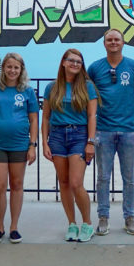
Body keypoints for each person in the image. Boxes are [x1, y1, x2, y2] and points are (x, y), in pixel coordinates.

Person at [87, 28, 134, 236]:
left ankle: (129, 217)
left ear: (123, 43)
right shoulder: (95, 68)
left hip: (128, 130)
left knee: (128, 177)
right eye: (109, 40)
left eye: (116, 39)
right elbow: (87, 93)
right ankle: (103, 217)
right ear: (104, 44)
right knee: (103, 177)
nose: (113, 42)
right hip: (103, 130)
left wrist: (132, 108)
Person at [0, 53, 38, 244]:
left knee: (17, 185)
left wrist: (32, 145)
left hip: (20, 145)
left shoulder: (28, 92)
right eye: (9, 67)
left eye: (16, 67)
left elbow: (34, 119)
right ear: (3, 68)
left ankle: (14, 227)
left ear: (21, 70)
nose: (12, 70)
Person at [42, 49, 98, 242]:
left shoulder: (87, 87)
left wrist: (91, 142)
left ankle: (87, 224)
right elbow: (46, 117)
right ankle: (72, 224)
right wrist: (44, 142)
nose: (75, 64)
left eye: (79, 62)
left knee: (76, 182)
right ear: (63, 62)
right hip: (57, 136)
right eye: (71, 60)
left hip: (79, 135)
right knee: (64, 183)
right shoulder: (51, 87)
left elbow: (92, 115)